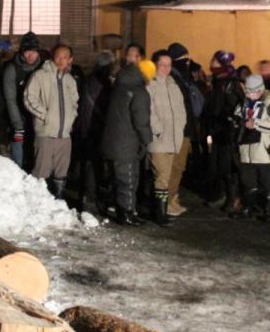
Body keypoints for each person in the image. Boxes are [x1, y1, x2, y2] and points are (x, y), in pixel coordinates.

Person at [24, 44, 79, 200]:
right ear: (52, 58)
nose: (61, 60)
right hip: (46, 133)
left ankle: (58, 201)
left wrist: (71, 118)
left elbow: (75, 102)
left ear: (70, 59)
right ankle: (37, 202)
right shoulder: (40, 76)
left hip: (65, 136)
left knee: (61, 171)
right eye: (58, 56)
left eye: (65, 57)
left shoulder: (70, 80)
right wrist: (46, 116)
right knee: (41, 171)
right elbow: (29, 97)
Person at [102, 61, 151, 225]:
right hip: (127, 143)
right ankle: (127, 214)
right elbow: (141, 121)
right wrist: (147, 140)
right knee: (128, 179)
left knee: (119, 179)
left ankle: (123, 210)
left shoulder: (119, 87)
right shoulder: (139, 92)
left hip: (112, 141)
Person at [147, 50, 188, 227]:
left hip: (173, 138)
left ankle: (161, 209)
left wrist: (180, 127)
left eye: (168, 65)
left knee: (167, 175)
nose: (166, 68)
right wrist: (158, 129)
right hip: (159, 139)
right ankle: (160, 213)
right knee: (162, 176)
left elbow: (181, 109)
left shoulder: (173, 84)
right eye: (162, 65)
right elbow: (148, 111)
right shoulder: (150, 84)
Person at [231, 73, 270, 220]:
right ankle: (248, 208)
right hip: (246, 149)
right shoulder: (243, 103)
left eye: (251, 91)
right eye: (246, 91)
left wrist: (256, 124)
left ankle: (268, 210)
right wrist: (237, 122)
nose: (248, 94)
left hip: (263, 150)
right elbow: (236, 118)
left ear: (260, 90)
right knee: (247, 179)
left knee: (266, 181)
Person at [75, 51, 115, 214]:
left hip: (86, 128)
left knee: (90, 165)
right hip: (96, 129)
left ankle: (87, 197)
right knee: (94, 166)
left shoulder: (88, 79)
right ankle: (90, 199)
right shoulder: (102, 82)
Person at [166, 42, 202, 216]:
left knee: (179, 167)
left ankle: (173, 199)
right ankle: (168, 201)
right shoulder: (174, 78)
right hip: (178, 130)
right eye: (183, 59)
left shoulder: (183, 78)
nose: (187, 62)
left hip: (186, 129)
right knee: (175, 166)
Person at [206, 50, 243, 208]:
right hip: (217, 128)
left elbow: (234, 105)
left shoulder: (230, 82)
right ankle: (222, 194)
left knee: (227, 165)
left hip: (227, 130)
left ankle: (233, 197)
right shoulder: (217, 80)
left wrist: (227, 118)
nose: (211, 62)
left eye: (214, 60)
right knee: (218, 165)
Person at [2, 32, 43, 168]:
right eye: (27, 52)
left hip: (36, 119)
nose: (30, 56)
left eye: (33, 52)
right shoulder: (12, 69)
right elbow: (10, 98)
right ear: (21, 52)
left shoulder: (42, 67)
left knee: (34, 154)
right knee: (18, 151)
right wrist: (17, 122)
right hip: (18, 118)